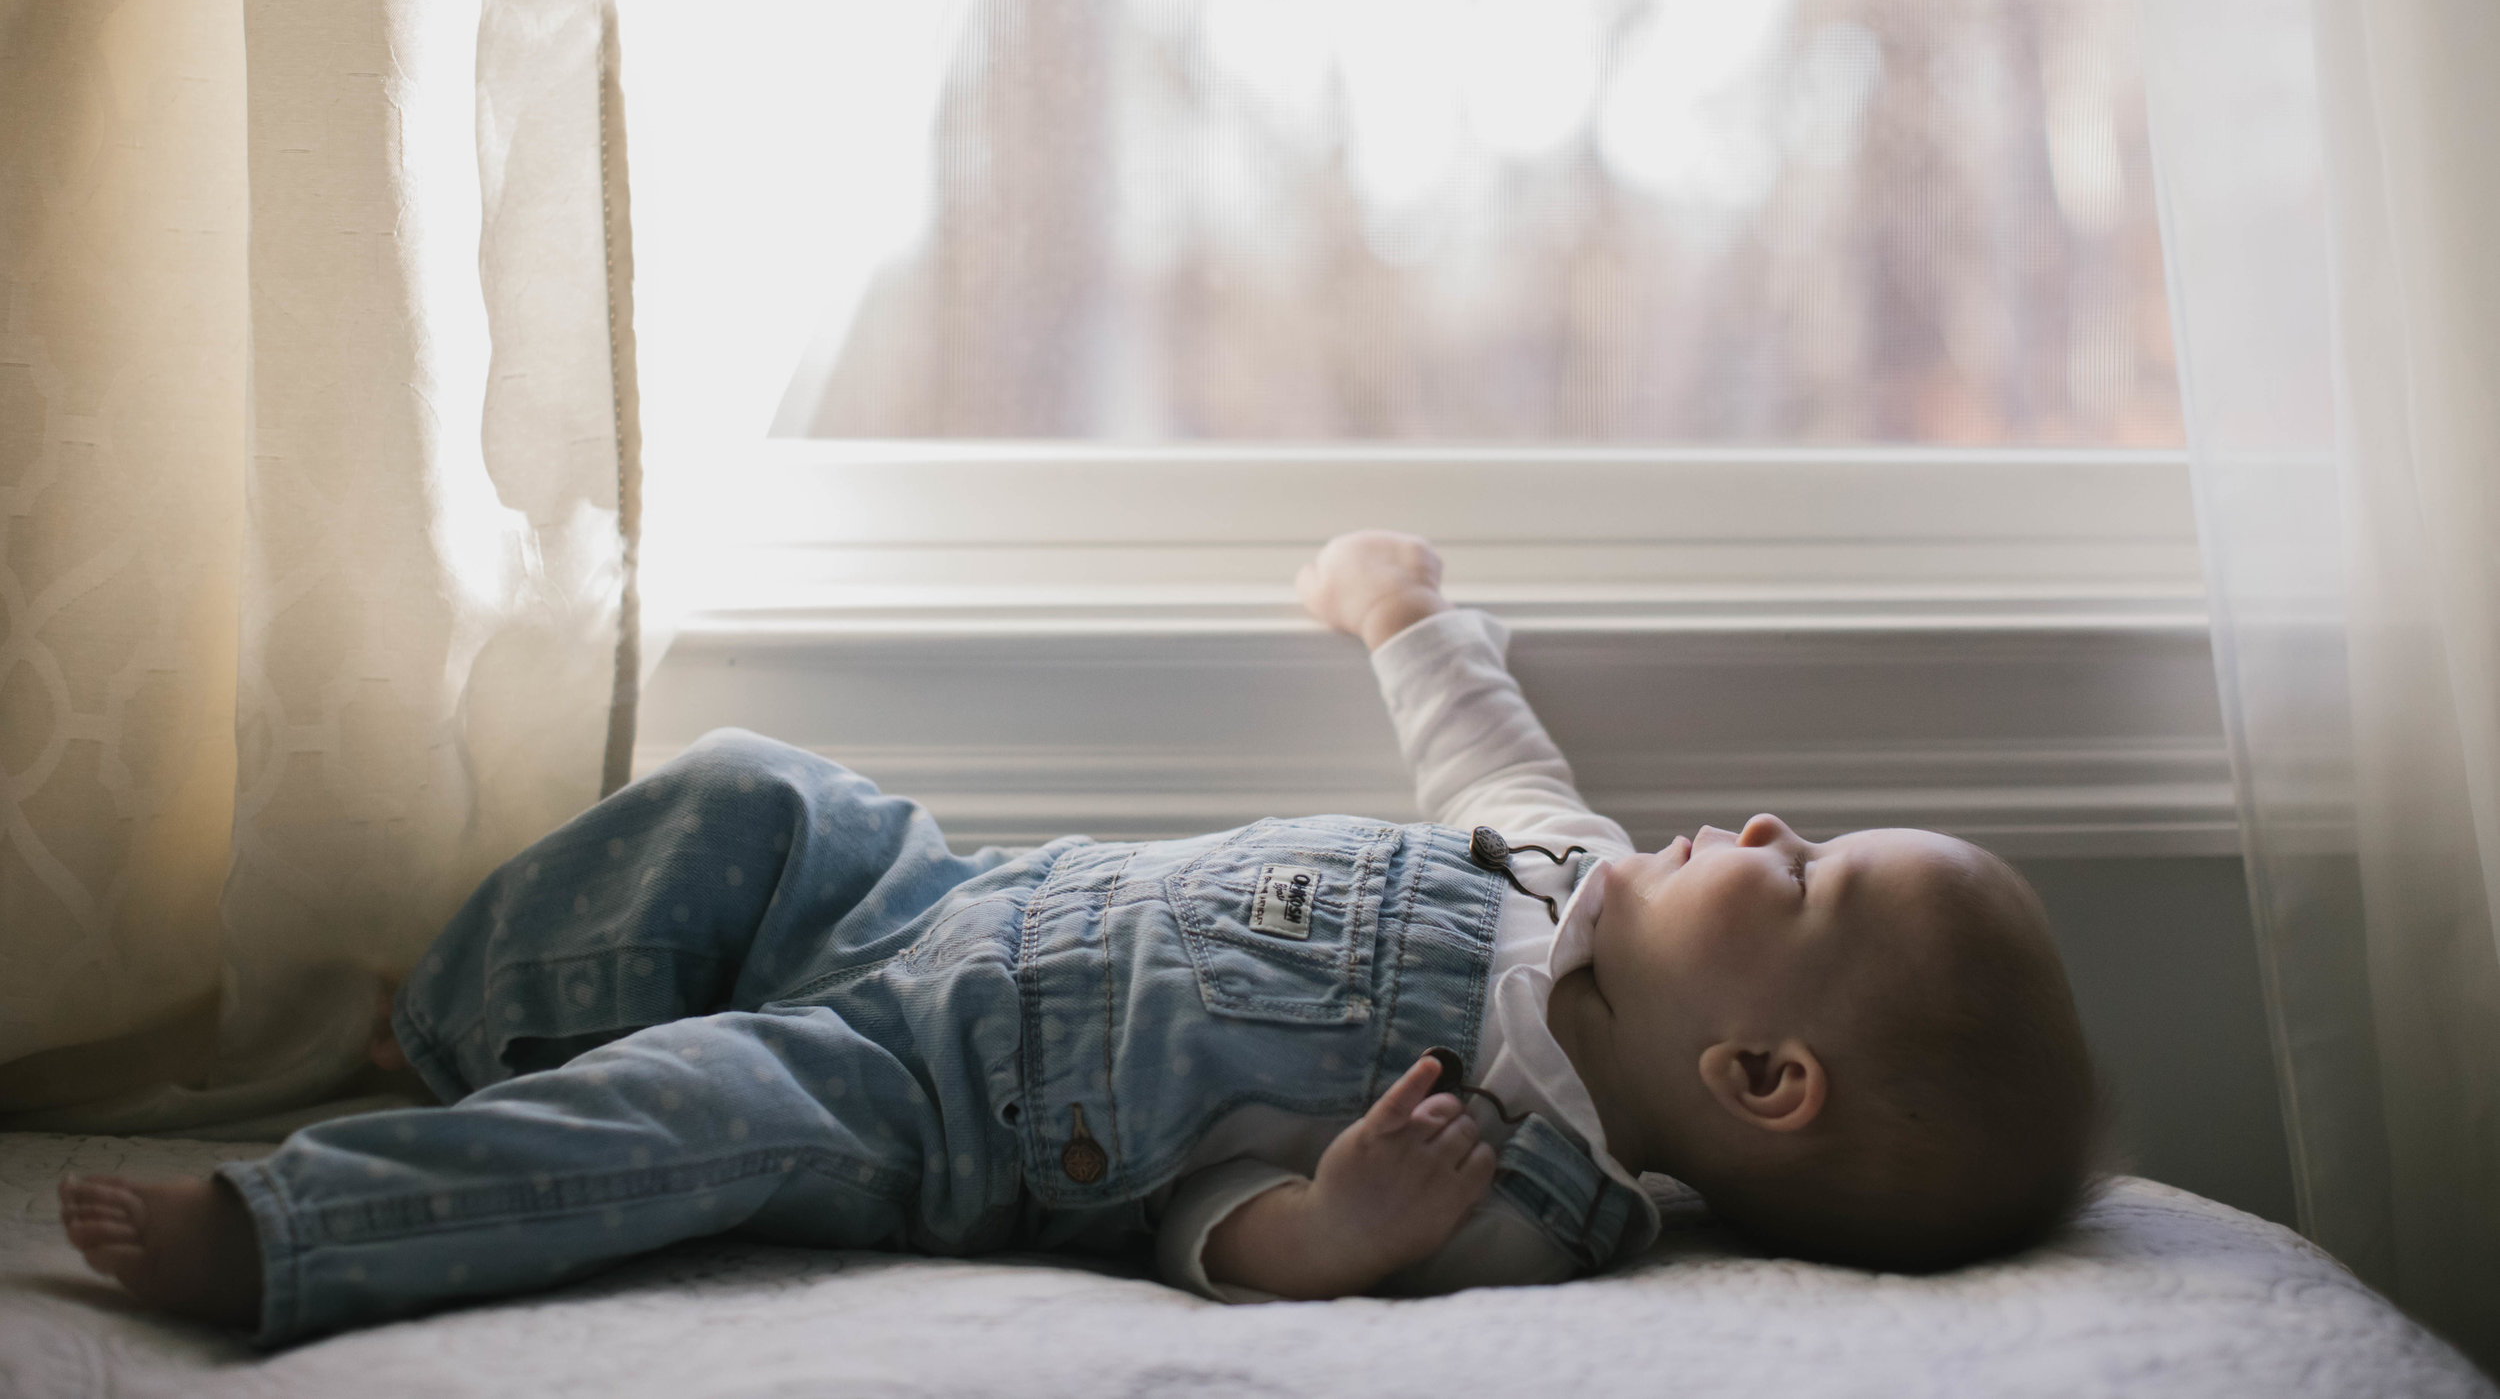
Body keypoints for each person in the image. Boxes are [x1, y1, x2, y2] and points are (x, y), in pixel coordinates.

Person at [60, 531, 2099, 1345]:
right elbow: (1483, 742)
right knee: (751, 787)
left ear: (1760, 1076)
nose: (1758, 821)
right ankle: (456, 1021)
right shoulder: (1556, 866)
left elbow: (1204, 1226)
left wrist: (1340, 1235)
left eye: (1806, 869)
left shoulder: (1508, 1182)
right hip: (936, 901)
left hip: (920, 1103)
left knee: (667, 1124)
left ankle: (300, 1229)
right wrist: (1402, 615)